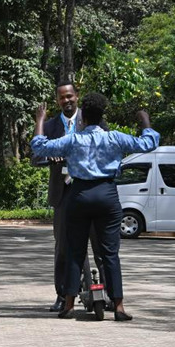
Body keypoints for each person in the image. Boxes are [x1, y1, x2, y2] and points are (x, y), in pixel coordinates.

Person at [31, 93, 160, 321]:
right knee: (110, 253)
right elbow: (148, 143)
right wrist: (145, 121)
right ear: (101, 117)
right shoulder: (115, 138)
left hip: (79, 195)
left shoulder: (73, 140)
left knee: (75, 252)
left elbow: (40, 147)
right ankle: (118, 307)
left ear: (83, 119)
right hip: (107, 195)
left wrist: (40, 120)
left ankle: (69, 305)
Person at [31, 82, 106, 312]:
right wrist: (50, 158)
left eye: (70, 96)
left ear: (77, 96)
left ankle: (109, 295)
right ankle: (63, 295)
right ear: (57, 100)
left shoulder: (93, 120)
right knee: (63, 247)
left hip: (90, 190)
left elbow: (104, 148)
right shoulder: (50, 126)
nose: (67, 101)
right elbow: (35, 157)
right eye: (62, 98)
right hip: (63, 194)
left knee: (100, 246)